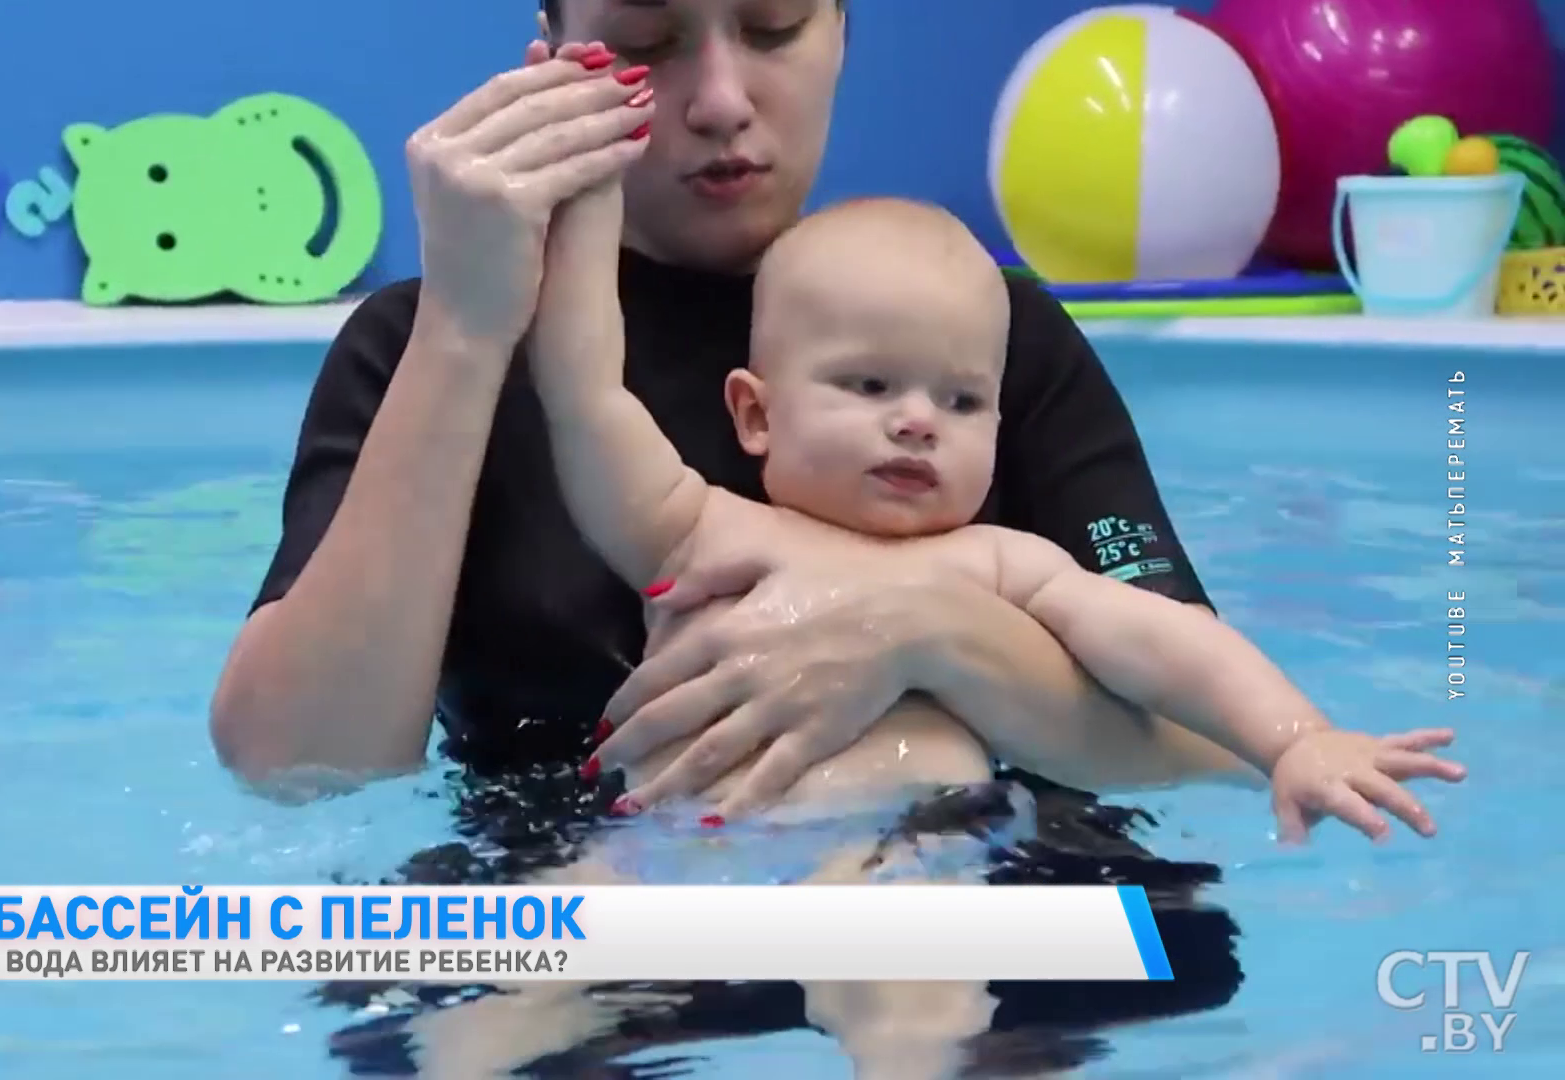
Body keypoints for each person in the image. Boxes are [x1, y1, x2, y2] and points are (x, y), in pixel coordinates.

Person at [210, 0, 1247, 1070]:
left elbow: (1212, 736)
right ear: (557, 55)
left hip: (935, 873)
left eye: (773, 26)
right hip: (588, 896)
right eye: (649, 43)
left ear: (843, 29)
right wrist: (468, 330)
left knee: (1176, 945)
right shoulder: (429, 343)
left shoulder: (979, 334)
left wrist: (927, 631)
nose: (719, 100)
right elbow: (299, 767)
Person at [527, 191, 1467, 842]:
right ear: (756, 415)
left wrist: (1296, 740)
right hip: (668, 849)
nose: (916, 421)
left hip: (912, 853)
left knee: (916, 1002)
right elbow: (585, 399)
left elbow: (1168, 644)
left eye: (963, 402)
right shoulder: (703, 531)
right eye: (870, 384)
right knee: (502, 1013)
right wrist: (588, 203)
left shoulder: (999, 564)